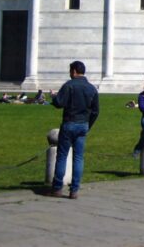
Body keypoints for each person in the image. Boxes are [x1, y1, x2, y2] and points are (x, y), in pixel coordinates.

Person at [47, 60, 99, 199]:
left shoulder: (69, 85)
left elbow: (59, 103)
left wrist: (53, 97)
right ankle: (74, 190)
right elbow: (96, 111)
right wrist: (88, 125)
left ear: (74, 71)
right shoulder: (92, 88)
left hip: (69, 123)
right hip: (83, 125)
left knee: (62, 156)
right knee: (78, 157)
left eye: (71, 71)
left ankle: (57, 188)